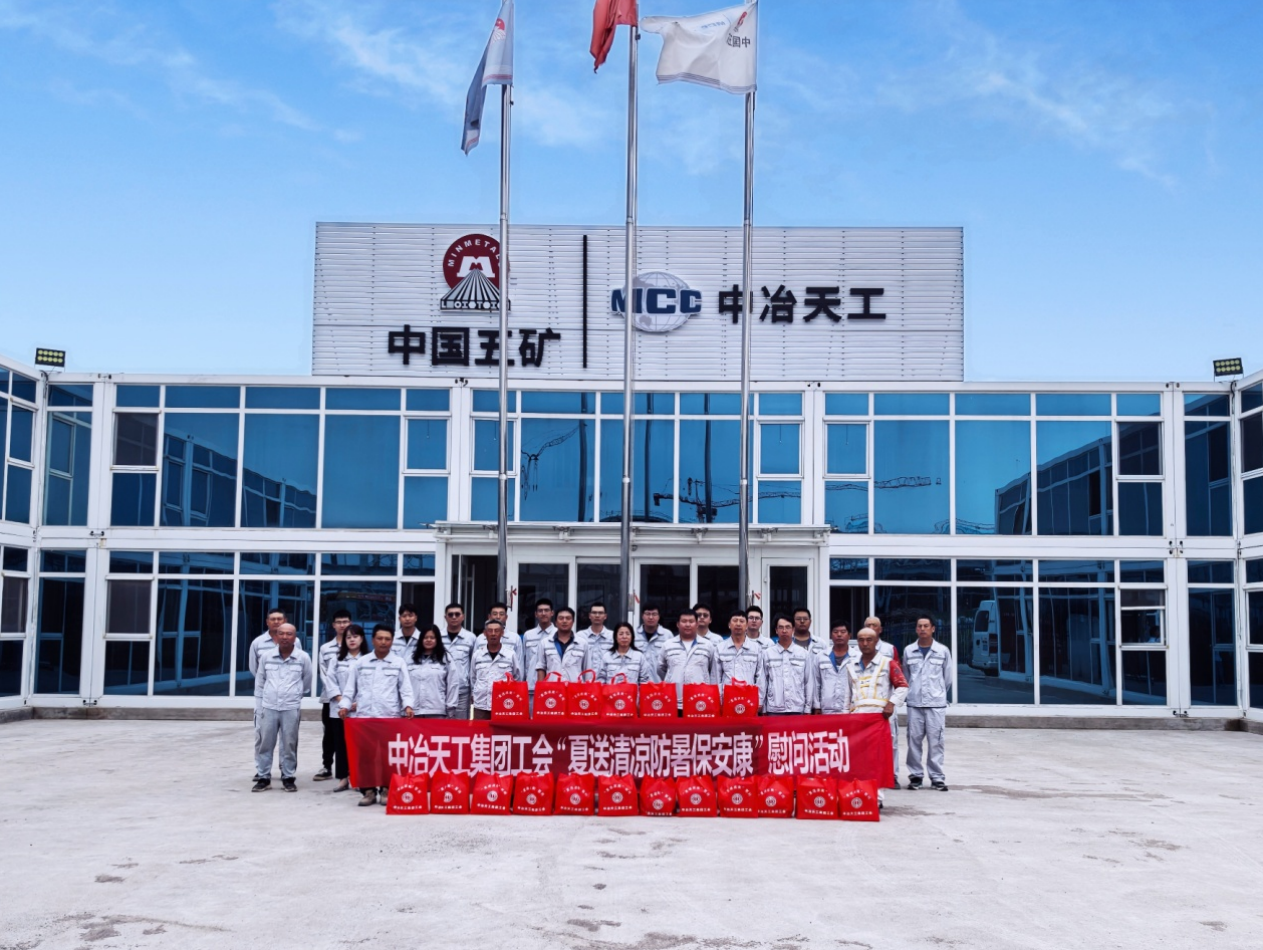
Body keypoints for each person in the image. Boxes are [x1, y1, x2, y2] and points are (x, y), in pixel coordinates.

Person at [339, 623, 415, 807]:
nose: (383, 642)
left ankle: (387, 789)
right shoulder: (361, 663)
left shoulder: (398, 663)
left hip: (389, 717)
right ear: (373, 640)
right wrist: (344, 706)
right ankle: (369, 791)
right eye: (380, 638)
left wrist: (408, 706)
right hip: (365, 717)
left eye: (387, 639)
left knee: (388, 756)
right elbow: (350, 689)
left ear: (392, 641)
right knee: (366, 757)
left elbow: (405, 689)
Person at [252, 624, 313, 793]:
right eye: (281, 633)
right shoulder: (266, 657)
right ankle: (263, 777)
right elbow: (260, 681)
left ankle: (288, 777)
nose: (285, 637)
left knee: (289, 743)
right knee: (265, 743)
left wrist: (294, 695)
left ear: (295, 637)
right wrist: (261, 704)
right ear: (276, 636)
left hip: (290, 707)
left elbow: (306, 681)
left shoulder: (302, 658)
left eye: (289, 634)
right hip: (269, 706)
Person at [850, 626, 908, 794]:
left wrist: (891, 704)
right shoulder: (851, 665)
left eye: (869, 640)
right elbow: (848, 693)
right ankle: (860, 792)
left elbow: (903, 686)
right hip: (858, 717)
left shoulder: (887, 663)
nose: (865, 643)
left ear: (876, 641)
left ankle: (878, 796)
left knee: (877, 757)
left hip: (879, 717)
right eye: (861, 640)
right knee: (859, 757)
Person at [902, 614, 952, 791]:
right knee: (913, 741)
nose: (922, 629)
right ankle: (916, 776)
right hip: (915, 704)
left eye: (926, 626)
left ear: (933, 628)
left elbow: (947, 678)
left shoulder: (942, 651)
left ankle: (937, 777)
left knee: (936, 741)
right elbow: (906, 676)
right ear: (916, 629)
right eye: (919, 626)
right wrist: (913, 692)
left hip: (935, 705)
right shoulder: (909, 651)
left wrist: (937, 693)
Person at [326, 624, 367, 792]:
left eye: (355, 636)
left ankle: (358, 778)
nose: (352, 640)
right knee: (341, 744)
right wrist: (343, 701)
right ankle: (343, 778)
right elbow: (330, 680)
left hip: (361, 710)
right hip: (339, 709)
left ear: (362, 639)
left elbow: (370, 685)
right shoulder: (337, 659)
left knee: (359, 746)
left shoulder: (367, 659)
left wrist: (358, 703)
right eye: (348, 637)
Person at [864, 614, 902, 782]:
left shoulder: (889, 649)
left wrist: (892, 702)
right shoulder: (857, 650)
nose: (871, 628)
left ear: (880, 630)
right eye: (868, 625)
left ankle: (892, 775)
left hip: (886, 704)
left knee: (891, 740)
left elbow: (899, 678)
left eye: (874, 625)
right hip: (865, 704)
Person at [314, 609, 351, 781]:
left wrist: (350, 697)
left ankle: (350, 768)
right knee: (329, 733)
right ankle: (327, 766)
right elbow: (324, 674)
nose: (342, 625)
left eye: (345, 621)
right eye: (339, 622)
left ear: (350, 623)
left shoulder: (357, 648)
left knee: (350, 734)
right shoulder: (326, 648)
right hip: (330, 699)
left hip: (353, 702)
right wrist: (337, 696)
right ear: (333, 625)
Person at [656, 609, 717, 713]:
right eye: (684, 621)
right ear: (678, 624)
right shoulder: (668, 645)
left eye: (691, 621)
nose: (688, 624)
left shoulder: (707, 645)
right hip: (673, 700)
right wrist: (672, 678)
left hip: (700, 700)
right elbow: (661, 669)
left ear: (697, 624)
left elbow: (712, 671)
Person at [763, 615, 815, 714]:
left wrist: (808, 708)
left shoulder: (803, 654)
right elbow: (763, 682)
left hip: (797, 709)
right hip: (774, 709)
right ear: (776, 630)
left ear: (793, 630)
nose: (784, 630)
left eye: (787, 627)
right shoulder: (768, 654)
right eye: (781, 627)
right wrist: (763, 708)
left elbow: (808, 682)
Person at [469, 619, 520, 719]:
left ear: (502, 633)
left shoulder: (510, 654)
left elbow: (517, 677)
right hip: (481, 705)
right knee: (479, 729)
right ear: (485, 633)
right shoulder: (477, 655)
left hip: (503, 704)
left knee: (502, 729)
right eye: (490, 631)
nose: (493, 634)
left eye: (496, 631)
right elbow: (473, 678)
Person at [408, 624, 459, 718]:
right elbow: (405, 685)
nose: (428, 640)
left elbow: (453, 683)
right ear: (421, 639)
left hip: (437, 710)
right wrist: (407, 705)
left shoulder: (446, 658)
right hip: (414, 711)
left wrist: (451, 707)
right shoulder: (411, 658)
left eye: (432, 637)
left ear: (437, 639)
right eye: (425, 637)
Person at [716, 609, 766, 702]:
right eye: (735, 621)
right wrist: (719, 699)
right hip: (727, 699)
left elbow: (760, 677)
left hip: (749, 699)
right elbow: (716, 676)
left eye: (742, 621)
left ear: (746, 626)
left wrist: (759, 700)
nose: (738, 624)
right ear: (729, 624)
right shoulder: (720, 648)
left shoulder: (756, 648)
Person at [441, 603, 477, 719]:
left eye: (457, 614)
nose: (454, 617)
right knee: (440, 724)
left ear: (463, 617)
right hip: (441, 689)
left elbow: (473, 666)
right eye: (450, 614)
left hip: (462, 690)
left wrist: (473, 691)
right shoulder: (438, 637)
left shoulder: (470, 638)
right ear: (445, 617)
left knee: (460, 724)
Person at [520, 599, 557, 709]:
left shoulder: (558, 634)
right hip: (531, 686)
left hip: (554, 686)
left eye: (546, 610)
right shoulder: (528, 635)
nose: (543, 613)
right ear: (536, 614)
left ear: (552, 613)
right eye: (540, 611)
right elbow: (523, 661)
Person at [536, 607, 588, 682]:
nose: (564, 621)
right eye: (561, 618)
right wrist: (540, 687)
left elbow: (587, 670)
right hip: (552, 687)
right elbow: (541, 668)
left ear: (573, 622)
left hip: (575, 687)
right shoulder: (545, 643)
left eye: (568, 618)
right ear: (556, 622)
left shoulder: (582, 643)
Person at [813, 623, 855, 715]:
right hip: (826, 708)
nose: (839, 635)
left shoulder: (857, 657)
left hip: (850, 709)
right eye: (835, 632)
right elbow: (816, 683)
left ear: (849, 635)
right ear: (830, 635)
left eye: (843, 632)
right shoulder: (821, 656)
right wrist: (817, 706)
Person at [579, 602, 612, 670]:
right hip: (585, 675)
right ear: (589, 616)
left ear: (605, 616)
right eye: (594, 613)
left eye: (600, 613)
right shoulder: (580, 636)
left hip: (607, 676)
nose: (597, 615)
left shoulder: (612, 637)